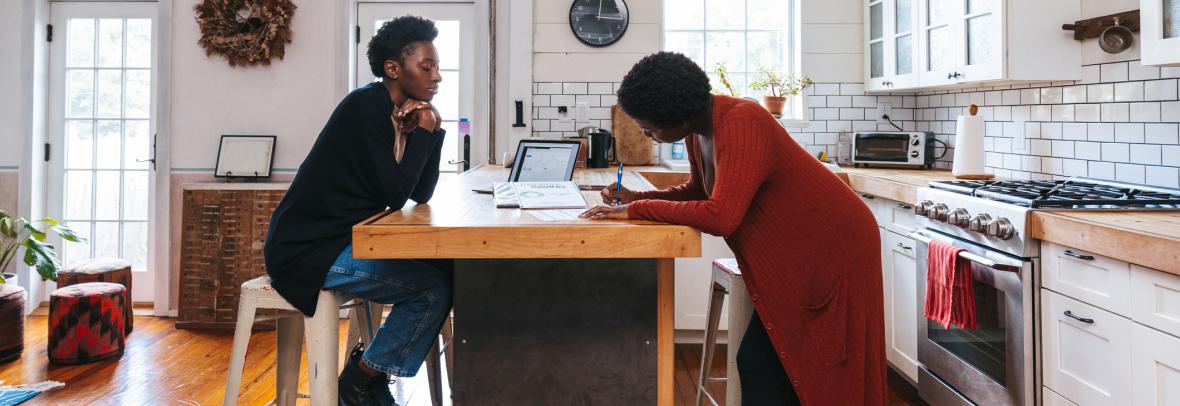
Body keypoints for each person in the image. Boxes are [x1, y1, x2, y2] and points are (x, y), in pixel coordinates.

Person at [581, 52, 886, 405]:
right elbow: (698, 191)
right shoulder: (698, 132)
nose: (645, 133)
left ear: (675, 112)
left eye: (649, 126)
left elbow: (721, 215)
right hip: (797, 252)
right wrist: (637, 196)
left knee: (816, 363)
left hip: (833, 246)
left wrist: (639, 208)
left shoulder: (742, 121)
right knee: (768, 365)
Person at [264, 15, 451, 406]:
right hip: (309, 251)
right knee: (432, 290)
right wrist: (428, 130)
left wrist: (431, 130)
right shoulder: (365, 108)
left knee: (448, 268)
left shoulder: (397, 113)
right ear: (393, 68)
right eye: (427, 66)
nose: (437, 77)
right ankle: (361, 380)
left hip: (340, 241)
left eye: (436, 67)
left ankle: (368, 374)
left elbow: (422, 192)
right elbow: (396, 195)